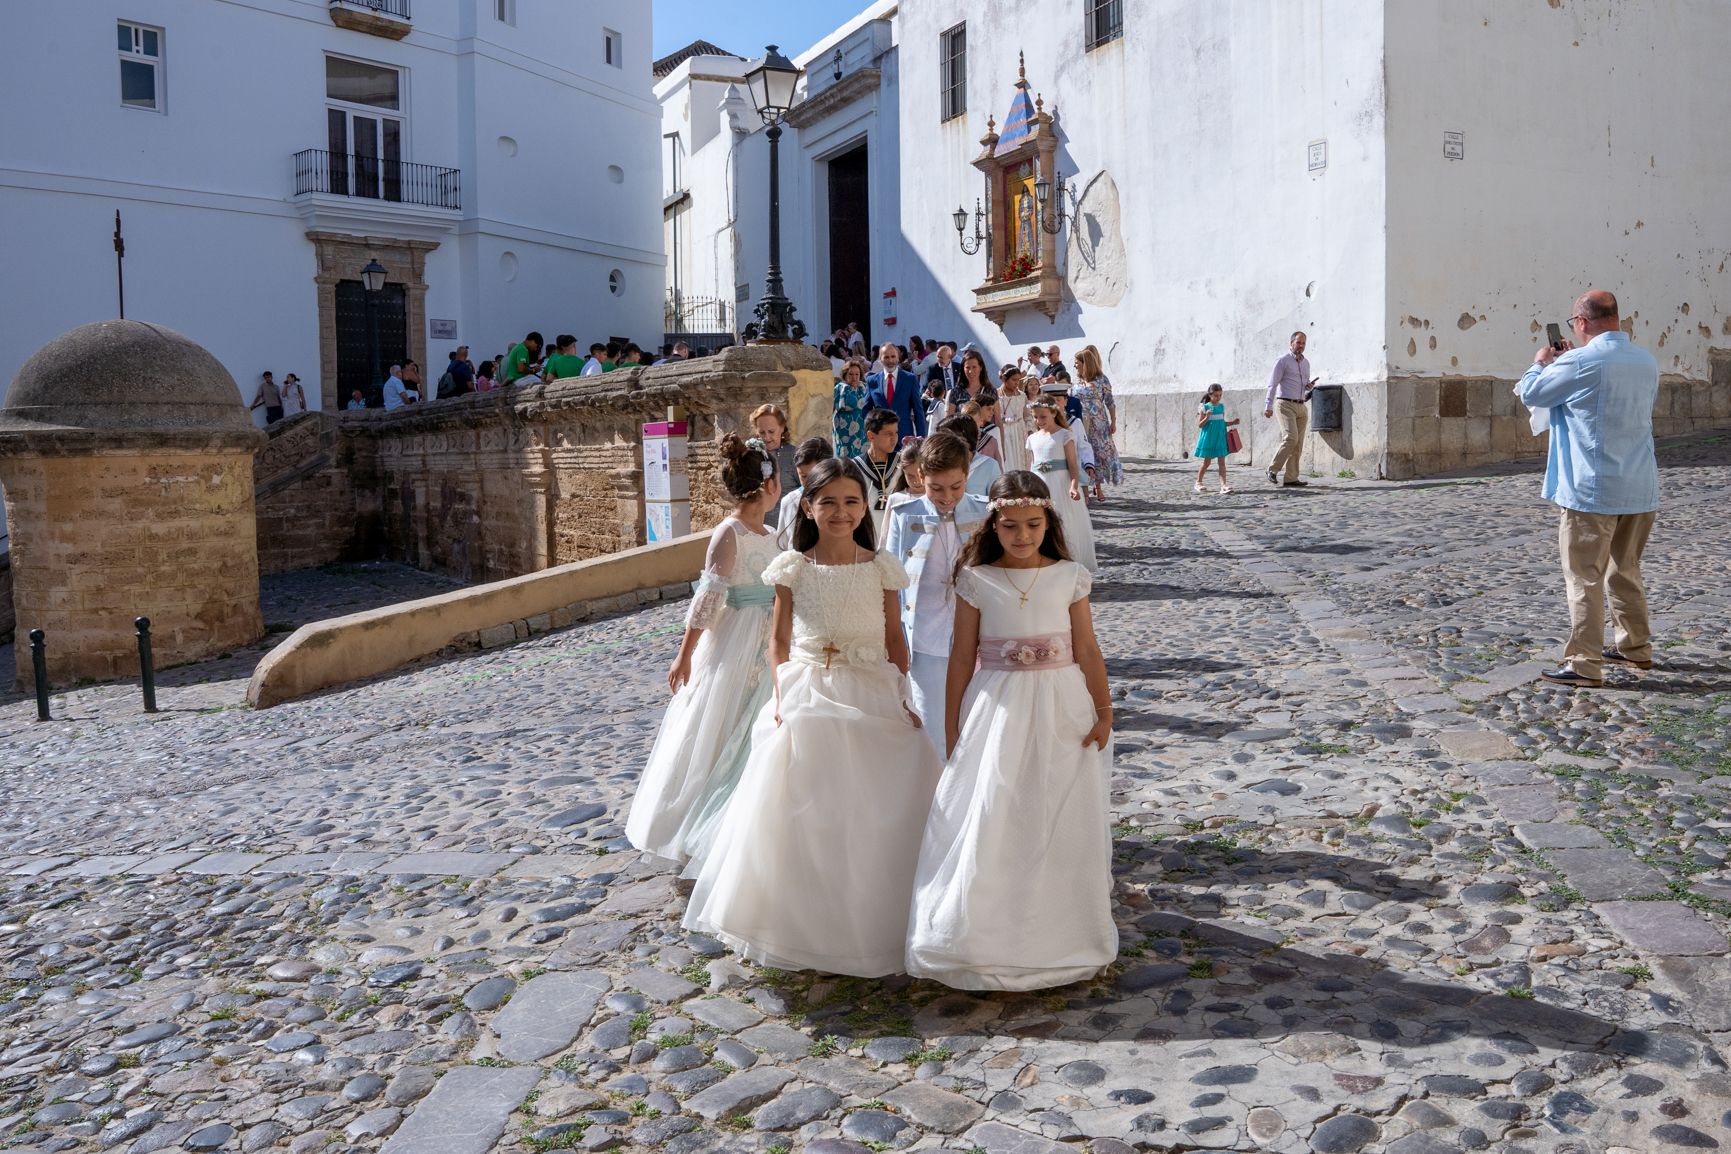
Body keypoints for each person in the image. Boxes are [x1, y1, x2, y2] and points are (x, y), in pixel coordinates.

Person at [683, 459, 942, 977]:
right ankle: (803, 924)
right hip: (809, 690)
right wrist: (781, 697)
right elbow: (779, 642)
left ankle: (881, 917)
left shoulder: (882, 567)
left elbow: (896, 639)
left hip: (870, 688)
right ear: (807, 506)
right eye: (828, 502)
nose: (841, 512)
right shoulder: (791, 568)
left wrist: (902, 694)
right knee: (808, 802)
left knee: (877, 800)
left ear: (865, 506)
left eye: (851, 501)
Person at [906, 470, 1116, 989]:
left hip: (1062, 702)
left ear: (1048, 522)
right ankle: (986, 930)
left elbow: (1087, 648)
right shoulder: (977, 580)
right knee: (998, 804)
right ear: (992, 527)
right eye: (1011, 527)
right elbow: (961, 658)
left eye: (1032, 525)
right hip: (997, 705)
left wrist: (1104, 708)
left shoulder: (1069, 575)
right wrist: (952, 724)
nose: (1022, 536)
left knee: (1058, 805)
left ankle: (1061, 928)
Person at [626, 435, 783, 863]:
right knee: (723, 722)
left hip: (771, 636)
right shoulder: (728, 533)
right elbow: (709, 600)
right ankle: (703, 821)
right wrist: (685, 654)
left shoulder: (770, 533)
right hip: (737, 638)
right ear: (770, 485)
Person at [1517, 289, 1660, 688]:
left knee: (1584, 577)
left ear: (1581, 322)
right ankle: (1636, 648)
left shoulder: (1581, 360)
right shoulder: (1647, 361)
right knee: (1626, 570)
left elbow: (1534, 392)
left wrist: (1540, 364)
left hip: (1592, 487)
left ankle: (1583, 662)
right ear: (1615, 317)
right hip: (1638, 483)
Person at [884, 433, 990, 751]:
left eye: (956, 487)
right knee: (934, 733)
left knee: (974, 729)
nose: (946, 497)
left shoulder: (986, 513)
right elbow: (890, 581)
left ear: (967, 475)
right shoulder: (905, 516)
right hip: (925, 641)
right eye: (936, 488)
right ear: (920, 478)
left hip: (977, 643)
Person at [1028, 398, 1096, 572]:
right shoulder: (1033, 438)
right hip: (1041, 486)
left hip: (1061, 484)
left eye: (1043, 417)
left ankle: (1069, 561)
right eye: (1035, 417)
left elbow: (1073, 465)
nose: (1039, 421)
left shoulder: (1065, 435)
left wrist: (1074, 485)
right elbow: (1032, 465)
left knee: (1064, 520)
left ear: (1053, 413)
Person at [1263, 330, 1317, 486]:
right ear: (1291, 343)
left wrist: (1308, 386)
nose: (1301, 346)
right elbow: (1272, 384)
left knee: (1298, 444)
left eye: (1303, 343)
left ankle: (1291, 477)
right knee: (1290, 438)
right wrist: (1268, 405)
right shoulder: (1282, 361)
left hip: (1301, 405)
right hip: (1285, 404)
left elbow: (1303, 385)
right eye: (1298, 342)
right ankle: (1272, 470)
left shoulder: (1306, 363)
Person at [1070, 347, 1121, 501]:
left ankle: (1097, 487)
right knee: (1083, 452)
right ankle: (1085, 487)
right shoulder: (1077, 381)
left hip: (1099, 423)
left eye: (1077, 363)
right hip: (1080, 422)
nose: (1075, 366)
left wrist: (1114, 421)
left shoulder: (1101, 379)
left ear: (1086, 363)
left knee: (1099, 454)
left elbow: (1110, 402)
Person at [773, 437, 835, 549]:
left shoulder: (841, 500)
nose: (809, 482)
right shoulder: (789, 502)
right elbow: (782, 547)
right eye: (803, 476)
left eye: (814, 476)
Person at [851, 407, 902, 537]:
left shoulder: (902, 463)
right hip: (866, 533)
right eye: (888, 434)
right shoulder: (854, 467)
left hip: (895, 532)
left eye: (896, 433)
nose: (894, 438)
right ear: (871, 436)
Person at [865, 342, 927, 441]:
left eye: (893, 356)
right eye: (886, 357)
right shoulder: (871, 381)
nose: (890, 360)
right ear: (880, 359)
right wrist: (871, 431)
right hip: (880, 437)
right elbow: (866, 410)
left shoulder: (909, 379)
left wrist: (921, 438)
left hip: (904, 436)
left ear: (898, 358)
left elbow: (918, 411)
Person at [938, 414, 1001, 498]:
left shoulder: (989, 465)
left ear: (964, 438)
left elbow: (996, 501)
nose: (940, 444)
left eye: (945, 439)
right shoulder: (939, 465)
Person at [1193, 383, 1241, 494]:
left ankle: (1223, 485)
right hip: (1209, 438)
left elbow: (1221, 423)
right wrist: (1207, 417)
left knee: (1222, 463)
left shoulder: (1221, 407)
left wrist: (1232, 422)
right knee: (1206, 462)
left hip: (1220, 438)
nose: (1218, 398)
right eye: (1215, 395)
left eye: (1220, 395)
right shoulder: (1205, 407)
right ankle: (1198, 482)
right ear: (1210, 395)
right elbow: (1200, 425)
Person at [751, 404, 800, 509]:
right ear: (756, 431)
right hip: (756, 522)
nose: (766, 437)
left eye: (771, 431)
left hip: (787, 522)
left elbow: (806, 490)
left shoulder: (795, 455)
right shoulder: (751, 456)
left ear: (782, 428)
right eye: (762, 432)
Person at [832, 358, 871, 461]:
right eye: (851, 374)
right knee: (846, 458)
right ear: (845, 375)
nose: (854, 377)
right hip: (844, 428)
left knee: (863, 457)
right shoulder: (840, 388)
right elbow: (832, 407)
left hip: (862, 427)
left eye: (857, 374)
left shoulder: (864, 387)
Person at [996, 365, 1032, 474]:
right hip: (1003, 432)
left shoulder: (1022, 396)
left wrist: (1030, 431)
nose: (1017, 383)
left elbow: (1028, 416)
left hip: (1020, 432)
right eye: (1014, 380)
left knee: (1022, 463)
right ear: (1004, 379)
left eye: (1018, 380)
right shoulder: (996, 395)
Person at [944, 349, 997, 418]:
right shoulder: (955, 392)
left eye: (974, 367)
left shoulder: (990, 391)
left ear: (980, 367)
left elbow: (997, 419)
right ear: (963, 369)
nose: (970, 371)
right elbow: (948, 421)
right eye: (967, 367)